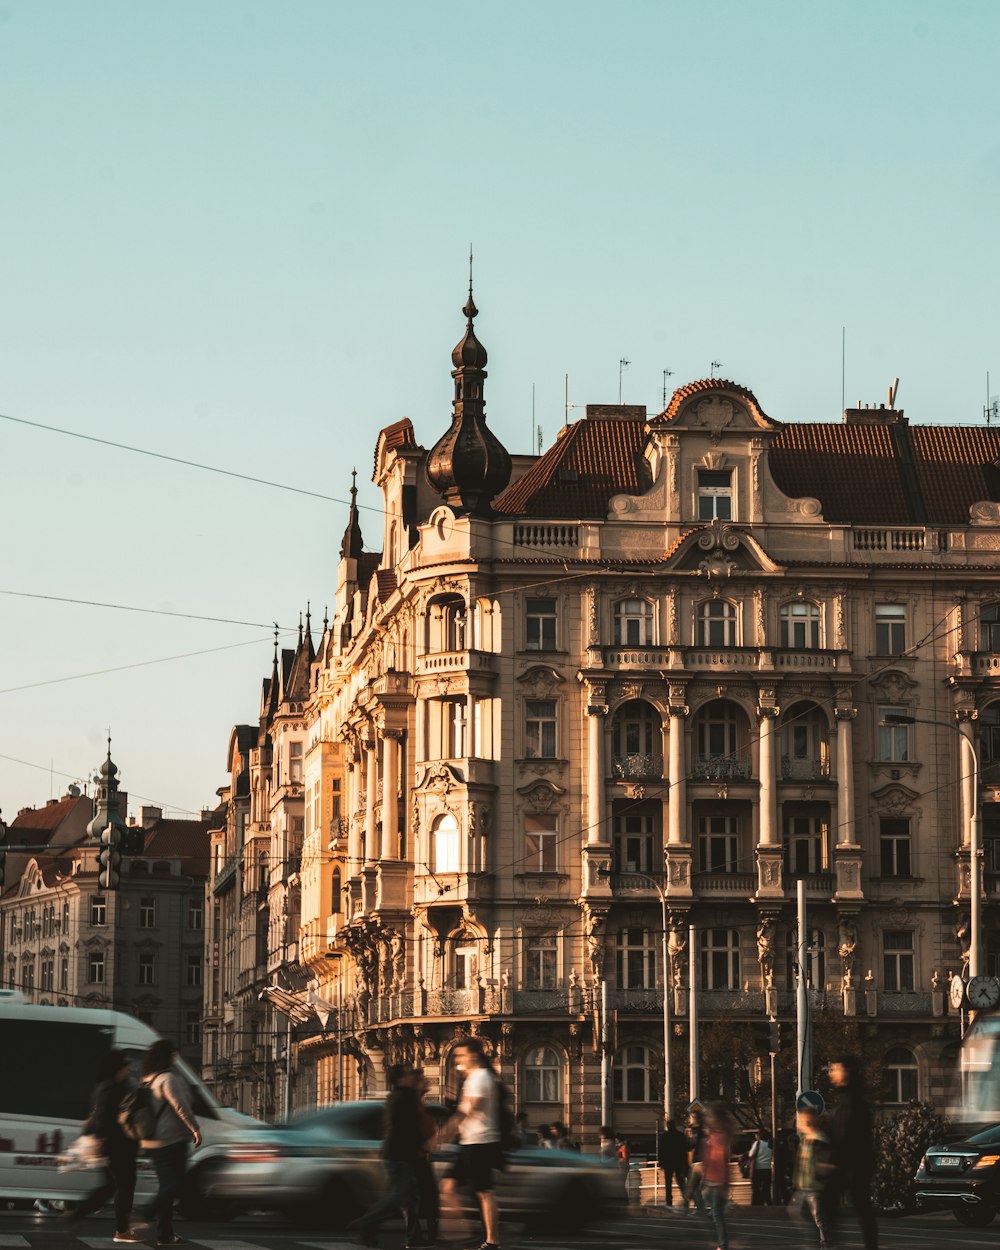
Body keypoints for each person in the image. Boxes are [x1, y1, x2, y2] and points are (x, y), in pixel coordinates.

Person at [61, 1049, 142, 1243]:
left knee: (111, 1187)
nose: (128, 1068)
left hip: (114, 1145)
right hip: (117, 1146)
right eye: (125, 1066)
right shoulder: (110, 1087)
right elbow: (104, 1118)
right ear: (117, 1068)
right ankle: (121, 1231)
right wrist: (105, 1140)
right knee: (124, 1186)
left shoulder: (107, 1086)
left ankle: (77, 1216)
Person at [140, 1038, 201, 1249]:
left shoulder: (148, 1078)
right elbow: (180, 1105)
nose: (176, 1057)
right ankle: (146, 1214)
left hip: (152, 1140)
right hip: (171, 1139)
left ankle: (165, 1234)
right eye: (173, 1053)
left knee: (167, 1186)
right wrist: (195, 1129)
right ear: (166, 1056)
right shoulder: (168, 1078)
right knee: (177, 1183)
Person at [354, 1064, 423, 1248]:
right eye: (408, 1075)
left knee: (405, 1197)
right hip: (399, 1155)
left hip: (398, 1154)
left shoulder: (400, 1097)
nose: (411, 1077)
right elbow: (402, 1130)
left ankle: (412, 1236)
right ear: (400, 1079)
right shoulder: (402, 1098)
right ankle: (366, 1223)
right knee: (400, 1198)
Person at [445, 1038, 502, 1250]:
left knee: (484, 1192)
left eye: (462, 1055)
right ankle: (463, 1232)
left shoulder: (480, 1077)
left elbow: (469, 1109)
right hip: (470, 1141)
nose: (458, 1059)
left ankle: (491, 1240)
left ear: (474, 1055)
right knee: (450, 1185)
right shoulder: (473, 1078)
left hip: (481, 1141)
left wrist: (445, 1133)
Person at [827, 1054, 878, 1250]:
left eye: (835, 1069)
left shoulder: (853, 1100)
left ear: (846, 1072)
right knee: (860, 1210)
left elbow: (849, 1132)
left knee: (859, 1209)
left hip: (852, 1165)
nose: (831, 1073)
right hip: (850, 1164)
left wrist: (834, 1160)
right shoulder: (845, 1097)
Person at [788, 1108, 834, 1248]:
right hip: (804, 1185)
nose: (800, 1123)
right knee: (796, 1212)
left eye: (802, 1120)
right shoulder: (805, 1140)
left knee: (819, 1218)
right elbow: (801, 1163)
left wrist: (822, 1174)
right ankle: (817, 1241)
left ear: (810, 1121)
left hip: (815, 1186)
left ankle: (824, 1243)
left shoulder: (819, 1139)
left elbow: (825, 1161)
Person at [413, 1068, 441, 1247]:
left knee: (427, 1197)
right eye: (423, 1080)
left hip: (423, 1156)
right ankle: (428, 1234)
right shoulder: (414, 1104)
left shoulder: (419, 1103)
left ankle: (429, 1233)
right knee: (425, 1197)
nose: (427, 1083)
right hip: (418, 1157)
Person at [701, 1103, 734, 1250]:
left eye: (709, 1116)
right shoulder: (715, 1135)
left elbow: (719, 1160)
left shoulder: (719, 1137)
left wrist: (722, 1182)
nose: (707, 1118)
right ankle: (722, 1242)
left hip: (716, 1181)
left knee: (716, 1214)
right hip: (712, 1180)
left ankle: (722, 1244)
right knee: (713, 1212)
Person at [656, 1119, 690, 1209]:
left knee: (668, 1182)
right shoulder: (680, 1136)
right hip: (679, 1161)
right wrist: (685, 1163)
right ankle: (685, 1199)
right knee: (681, 1181)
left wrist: (661, 1162)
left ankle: (669, 1201)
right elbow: (684, 1150)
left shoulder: (664, 1136)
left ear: (667, 1126)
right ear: (674, 1125)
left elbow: (661, 1150)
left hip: (668, 1162)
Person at [683, 1108, 706, 1213]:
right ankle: (700, 1207)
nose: (689, 1120)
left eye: (691, 1117)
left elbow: (691, 1145)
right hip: (699, 1161)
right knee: (696, 1186)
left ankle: (700, 1208)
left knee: (692, 1186)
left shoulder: (696, 1131)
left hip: (699, 1161)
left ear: (694, 1118)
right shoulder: (701, 1130)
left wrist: (688, 1136)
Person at [747, 1129, 773, 1205]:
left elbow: (751, 1154)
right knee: (766, 1188)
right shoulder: (770, 1144)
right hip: (767, 1168)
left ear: (759, 1136)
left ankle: (756, 1204)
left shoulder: (757, 1143)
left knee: (756, 1188)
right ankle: (768, 1203)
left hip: (757, 1168)